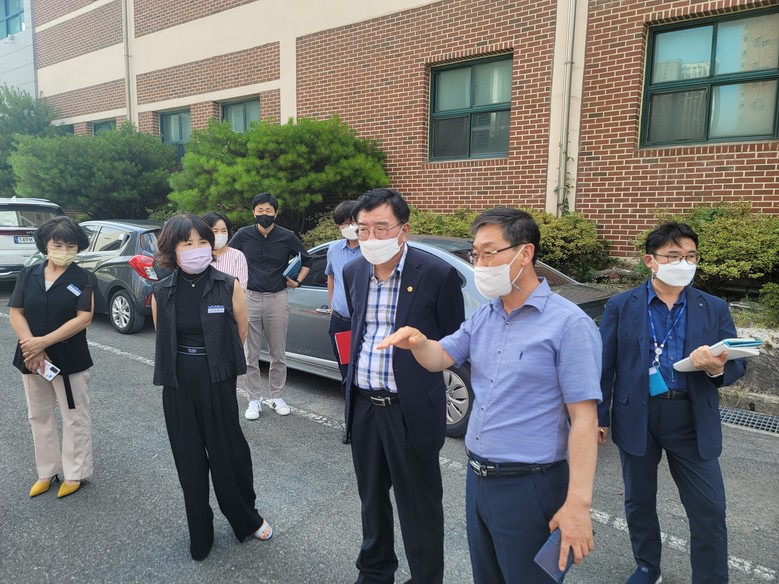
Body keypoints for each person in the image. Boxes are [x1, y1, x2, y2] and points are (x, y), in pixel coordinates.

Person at [379, 207, 602, 584]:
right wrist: (418, 342)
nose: (479, 264)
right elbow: (440, 358)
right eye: (476, 255)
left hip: (531, 485)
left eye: (489, 253)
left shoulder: (569, 324)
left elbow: (584, 419)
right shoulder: (486, 315)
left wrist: (578, 506)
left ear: (525, 253)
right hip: (479, 478)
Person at [597, 222, 747, 584]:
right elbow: (604, 364)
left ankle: (710, 578)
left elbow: (737, 363)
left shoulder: (712, 307)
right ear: (650, 261)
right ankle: (647, 566)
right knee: (639, 499)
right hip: (638, 413)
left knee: (709, 508)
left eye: (691, 256)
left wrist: (716, 369)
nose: (684, 263)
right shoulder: (622, 305)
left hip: (690, 416)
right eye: (674, 256)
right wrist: (599, 416)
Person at [341, 188, 465, 584]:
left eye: (381, 228)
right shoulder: (354, 271)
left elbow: (452, 343)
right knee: (371, 500)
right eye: (363, 229)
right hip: (364, 405)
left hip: (409, 410)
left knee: (419, 506)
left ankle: (426, 577)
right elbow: (357, 329)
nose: (371, 238)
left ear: (404, 230)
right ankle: (375, 572)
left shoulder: (437, 274)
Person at [151, 214, 272, 561]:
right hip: (178, 383)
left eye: (202, 241)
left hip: (216, 379)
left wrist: (216, 362)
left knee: (228, 454)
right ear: (172, 249)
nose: (197, 248)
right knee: (188, 459)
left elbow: (241, 331)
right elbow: (163, 336)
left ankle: (246, 519)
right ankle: (200, 531)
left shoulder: (227, 284)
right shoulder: (161, 291)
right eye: (187, 243)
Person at [9, 216, 95, 499]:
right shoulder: (28, 274)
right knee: (38, 414)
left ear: (78, 247)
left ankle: (75, 472)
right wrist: (32, 346)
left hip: (70, 358)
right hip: (31, 358)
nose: (64, 251)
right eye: (58, 245)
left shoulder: (83, 278)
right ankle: (46, 471)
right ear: (45, 245)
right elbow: (16, 312)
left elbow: (84, 318)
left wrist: (43, 342)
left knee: (74, 415)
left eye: (71, 245)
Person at [229, 193, 312, 419]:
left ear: (276, 213)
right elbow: (229, 258)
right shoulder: (243, 235)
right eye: (260, 210)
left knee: (278, 353)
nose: (264, 214)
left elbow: (307, 260)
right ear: (253, 212)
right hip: (249, 298)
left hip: (277, 298)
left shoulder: (287, 236)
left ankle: (277, 397)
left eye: (268, 211)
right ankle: (253, 400)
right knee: (250, 354)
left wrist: (298, 281)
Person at [324, 200, 361, 444]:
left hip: (364, 325)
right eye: (343, 223)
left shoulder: (372, 250)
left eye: (352, 221)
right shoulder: (334, 250)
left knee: (364, 374)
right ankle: (351, 426)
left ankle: (367, 425)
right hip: (341, 323)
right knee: (347, 375)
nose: (348, 227)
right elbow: (331, 277)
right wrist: (332, 307)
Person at [202, 211, 248, 289]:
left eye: (224, 231)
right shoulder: (199, 255)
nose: (220, 235)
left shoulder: (237, 256)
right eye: (215, 231)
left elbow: (241, 288)